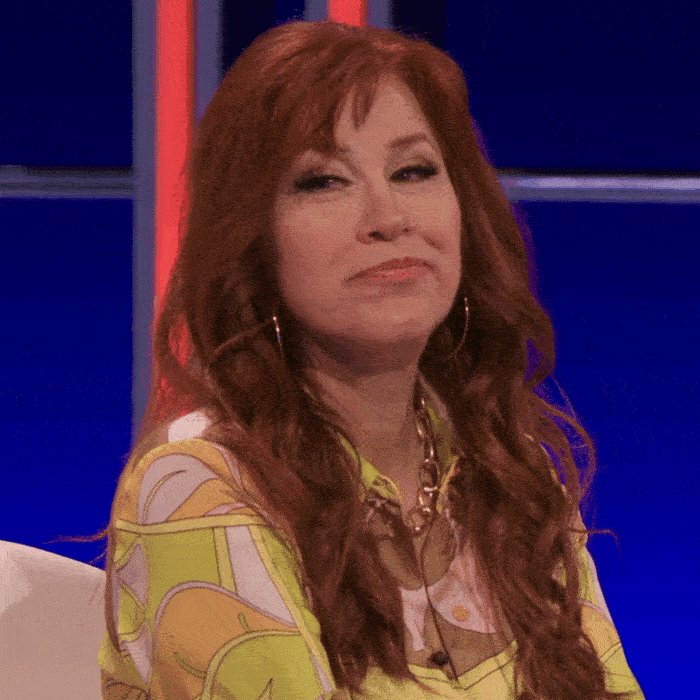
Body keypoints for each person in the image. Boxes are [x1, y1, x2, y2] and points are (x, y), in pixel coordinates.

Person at [98, 19, 644, 700]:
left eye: (413, 171)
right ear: (254, 242)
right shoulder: (196, 486)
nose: (388, 217)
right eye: (324, 181)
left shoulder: (510, 469)